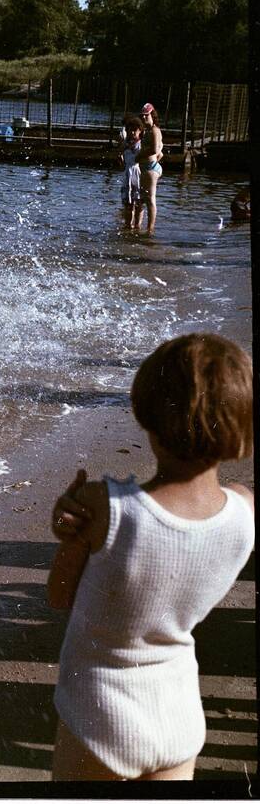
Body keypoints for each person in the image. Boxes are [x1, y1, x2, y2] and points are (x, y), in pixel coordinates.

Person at [47, 333, 253, 782]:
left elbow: (60, 595)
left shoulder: (107, 507)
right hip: (179, 714)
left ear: (147, 417)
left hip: (102, 717)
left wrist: (70, 535)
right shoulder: (244, 510)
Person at [136, 103, 163, 233]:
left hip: (151, 168)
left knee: (150, 198)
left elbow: (155, 149)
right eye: (142, 116)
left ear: (152, 115)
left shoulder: (154, 130)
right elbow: (160, 152)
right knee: (140, 199)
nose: (144, 118)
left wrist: (139, 156)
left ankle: (150, 229)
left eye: (146, 116)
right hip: (145, 167)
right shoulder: (146, 131)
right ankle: (137, 226)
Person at [118, 117, 144, 230]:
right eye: (130, 130)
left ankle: (137, 226)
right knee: (128, 203)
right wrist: (120, 159)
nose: (132, 132)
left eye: (135, 130)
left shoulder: (141, 144)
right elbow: (123, 163)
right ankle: (128, 225)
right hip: (127, 174)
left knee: (138, 202)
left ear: (140, 131)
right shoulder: (125, 144)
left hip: (138, 173)